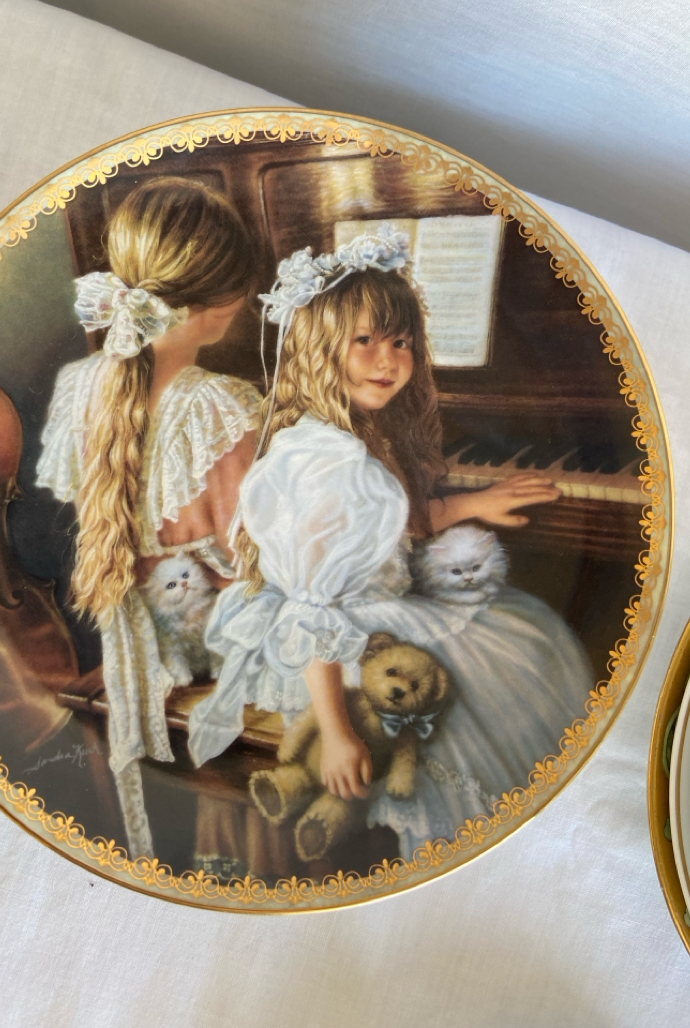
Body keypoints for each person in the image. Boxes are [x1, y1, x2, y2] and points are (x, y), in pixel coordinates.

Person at [187, 224, 594, 860]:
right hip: (341, 647)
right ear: (318, 349)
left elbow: (397, 523)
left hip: (372, 612)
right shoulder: (326, 460)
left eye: (402, 342)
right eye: (366, 341)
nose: (389, 360)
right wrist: (337, 731)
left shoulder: (357, 432)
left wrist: (474, 503)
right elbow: (313, 613)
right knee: (514, 667)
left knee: (528, 649)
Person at [36, 176, 260, 858]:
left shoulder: (80, 384)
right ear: (222, 307)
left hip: (125, 626)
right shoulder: (218, 405)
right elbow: (255, 558)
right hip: (206, 646)